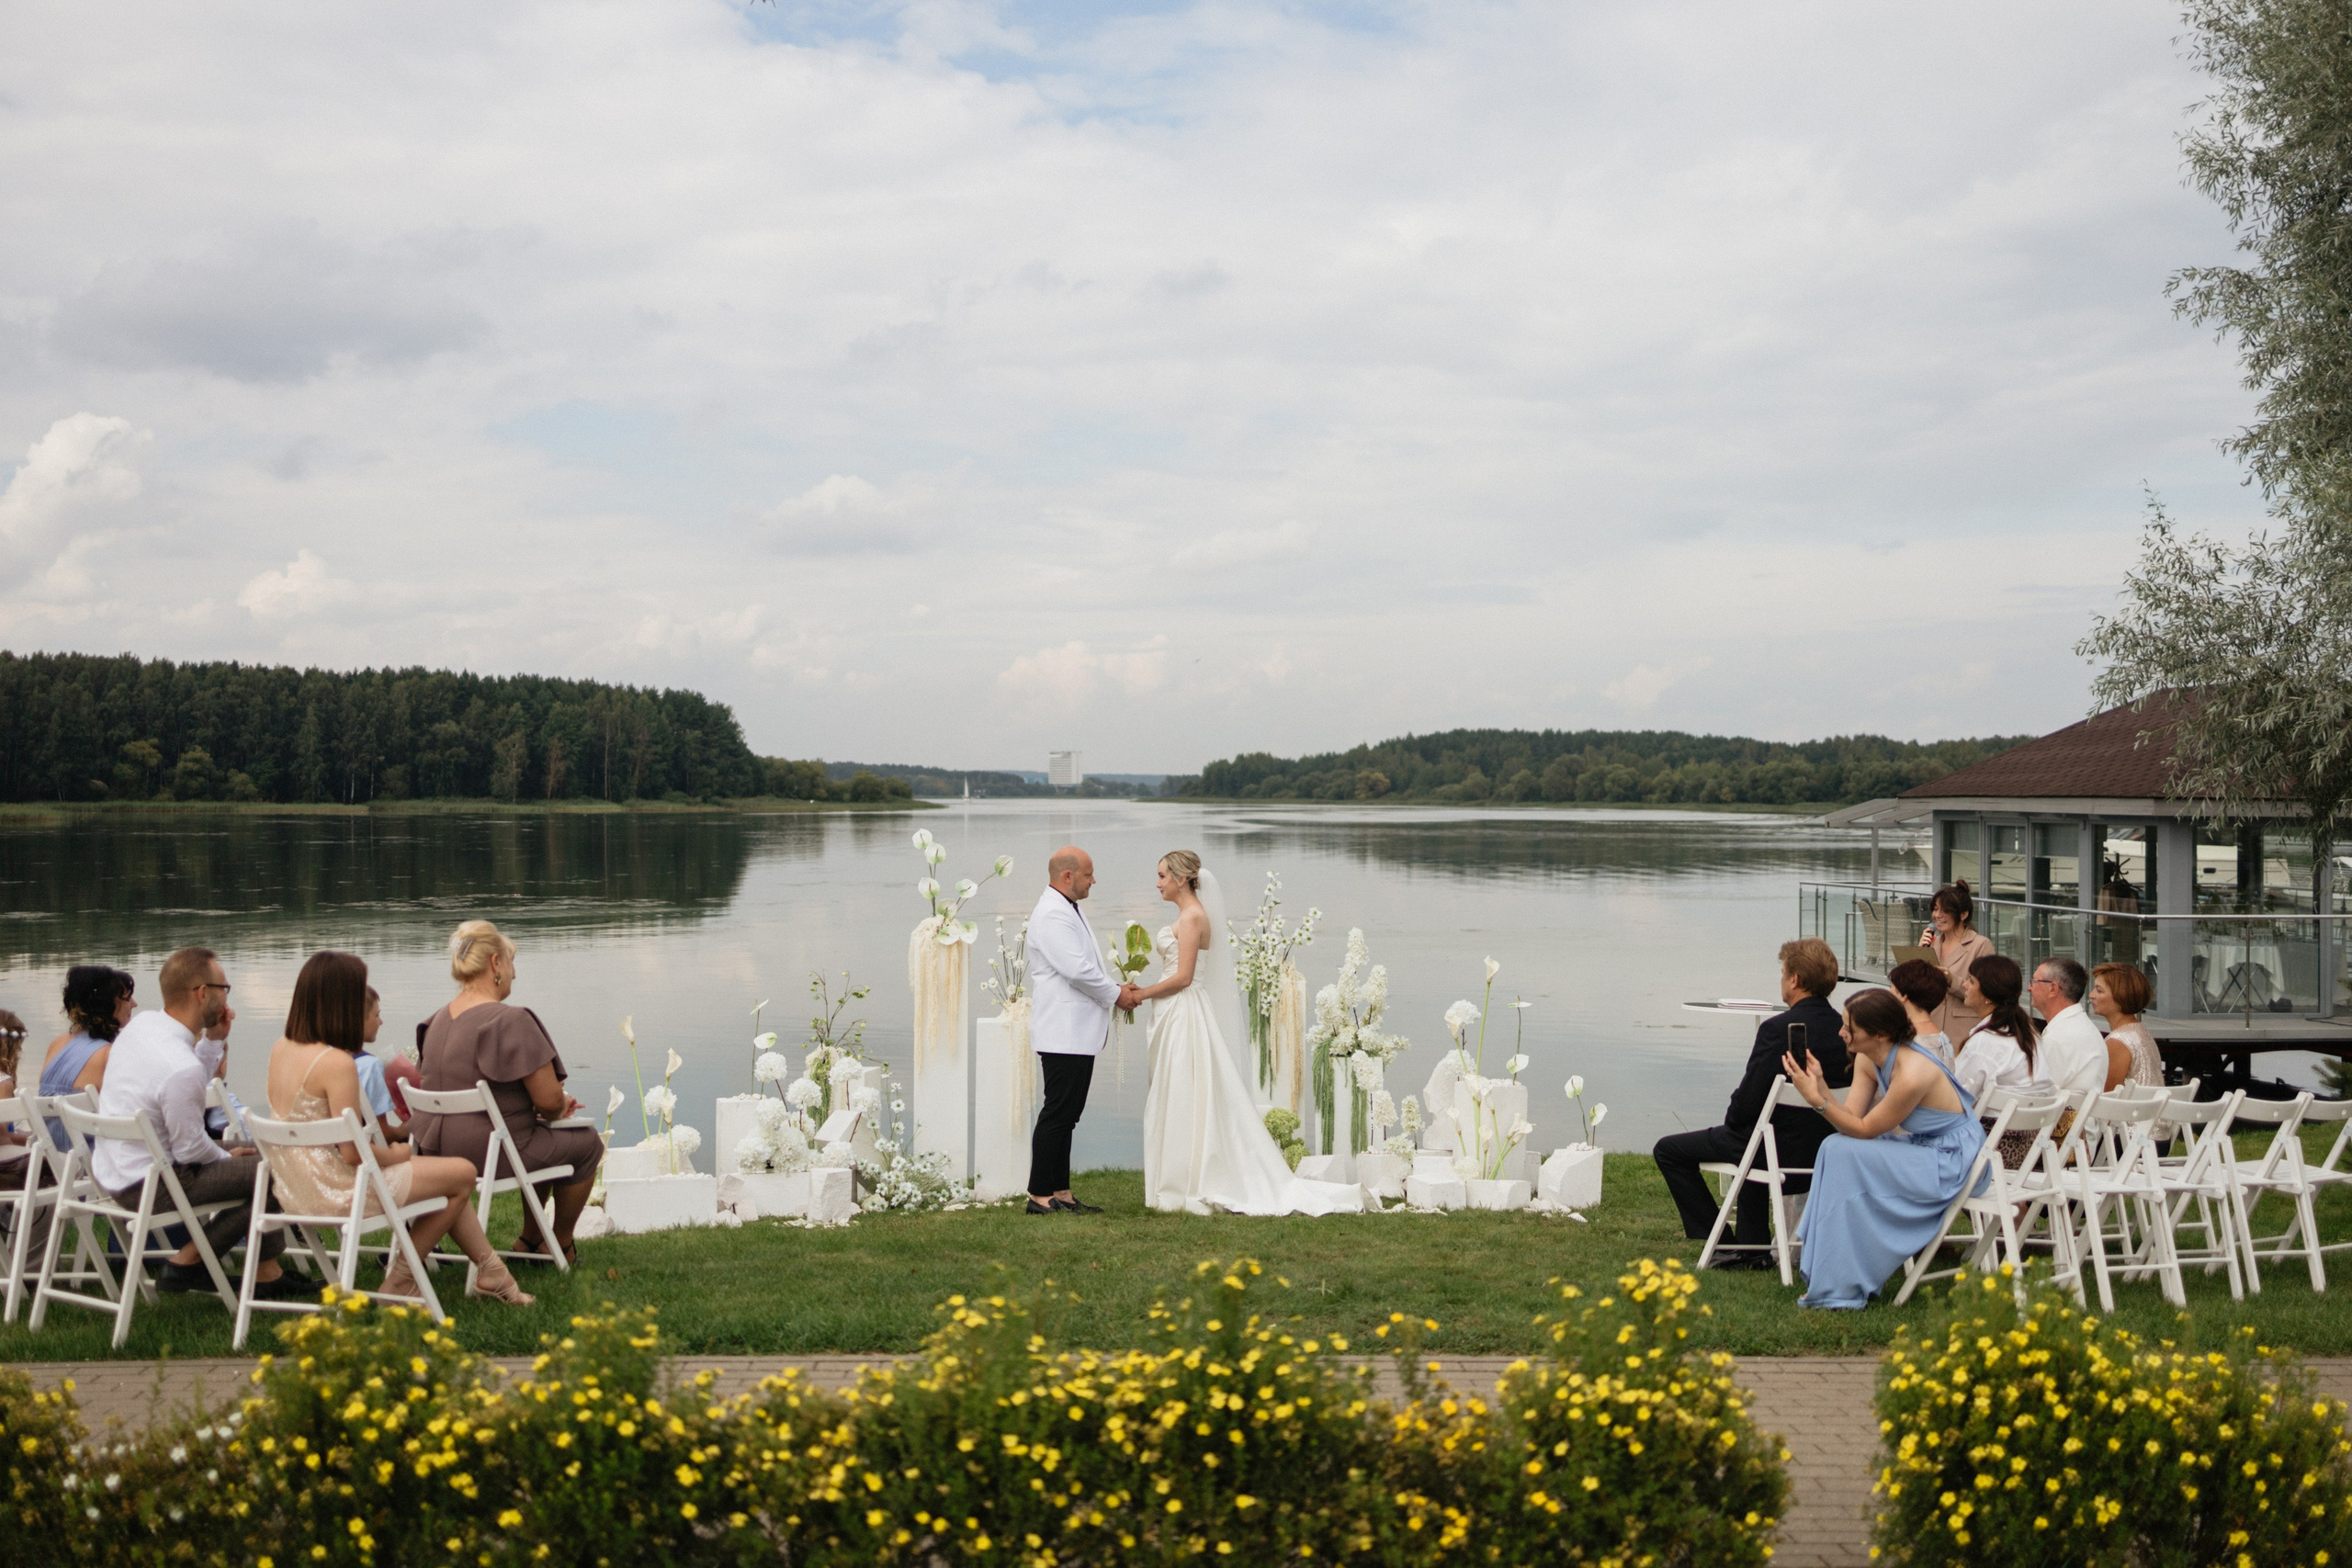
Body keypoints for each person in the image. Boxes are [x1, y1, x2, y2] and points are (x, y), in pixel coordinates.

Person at [265, 953, 530, 1305]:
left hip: (294, 1190)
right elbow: (352, 1152)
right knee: (463, 1173)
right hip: (339, 1191)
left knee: (449, 1180)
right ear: (341, 1002)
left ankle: (494, 1273)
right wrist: (397, 1154)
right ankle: (402, 1277)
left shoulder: (281, 1049)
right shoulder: (336, 1063)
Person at [1134, 851, 1363, 1216]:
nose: (1157, 883)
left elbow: (1184, 977)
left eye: (1162, 876)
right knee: (1176, 1088)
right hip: (1175, 1010)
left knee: (1184, 1088)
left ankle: (1186, 1182)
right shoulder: (1187, 915)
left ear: (1180, 878)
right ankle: (1178, 1177)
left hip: (1185, 1010)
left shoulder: (1193, 917)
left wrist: (1141, 994)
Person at [87, 948, 302, 1299]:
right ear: (203, 993)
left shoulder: (144, 1028)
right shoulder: (178, 1064)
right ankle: (189, 1262)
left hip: (123, 1167)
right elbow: (190, 1147)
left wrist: (214, 1040)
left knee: (270, 1152)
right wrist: (225, 1157)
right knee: (281, 1170)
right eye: (225, 988)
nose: (227, 997)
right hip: (156, 1182)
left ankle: (267, 1273)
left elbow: (185, 1095)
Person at [412, 921, 601, 1267]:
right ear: (496, 964)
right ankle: (557, 1244)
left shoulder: (435, 1021)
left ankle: (528, 1239)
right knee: (586, 1142)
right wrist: (559, 1107)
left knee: (543, 1136)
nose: (515, 973)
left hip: (434, 1152)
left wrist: (540, 1109)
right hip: (488, 1153)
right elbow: (548, 1101)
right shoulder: (510, 1021)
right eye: (513, 963)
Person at [1782, 988, 1986, 1310]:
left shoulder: (1912, 1072)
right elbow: (1851, 1118)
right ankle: (1834, 1275)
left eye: (1850, 1028)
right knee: (1835, 1147)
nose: (1841, 1033)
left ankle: (1839, 1282)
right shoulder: (1868, 1057)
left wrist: (1816, 1101)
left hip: (1952, 1160)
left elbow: (1864, 1131)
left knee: (1841, 1151)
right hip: (1922, 1149)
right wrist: (1819, 1085)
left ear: (1879, 1034)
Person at [1653, 937, 1849, 1265]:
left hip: (1775, 1154)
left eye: (1783, 973)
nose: (1782, 980)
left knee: (1671, 1150)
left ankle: (1728, 1244)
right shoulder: (1846, 1029)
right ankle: (1752, 1246)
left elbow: (1747, 1104)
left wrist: (1733, 1121)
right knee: (1755, 1136)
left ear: (1795, 980)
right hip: (1828, 1151)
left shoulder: (1776, 1030)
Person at [1023, 846, 1134, 1215]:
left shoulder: (1066, 908)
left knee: (1068, 1115)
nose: (1093, 880)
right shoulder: (1052, 914)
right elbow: (1077, 971)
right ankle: (1039, 1196)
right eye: (1088, 874)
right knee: (1057, 1113)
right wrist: (1117, 995)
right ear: (1067, 876)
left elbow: (1086, 965)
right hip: (1062, 1030)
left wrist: (1115, 986)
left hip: (1073, 1031)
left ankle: (1061, 1192)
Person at [1953, 954, 2045, 1168]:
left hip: (1987, 1152)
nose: (1965, 985)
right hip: (2025, 1150)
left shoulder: (1987, 1041)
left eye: (1971, 981)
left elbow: (1955, 1100)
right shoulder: (2027, 1032)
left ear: (1988, 994)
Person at [38, 966, 131, 1152]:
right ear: (106, 1005)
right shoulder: (109, 1054)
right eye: (127, 998)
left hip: (55, 1156)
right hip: (92, 1159)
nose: (134, 1004)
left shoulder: (58, 1044)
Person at [1917, 881, 1995, 1041]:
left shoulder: (1980, 944)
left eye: (1945, 910)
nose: (1937, 915)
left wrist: (1951, 980)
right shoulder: (1933, 943)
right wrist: (1920, 955)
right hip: (1931, 1028)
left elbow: (1987, 992)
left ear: (1963, 914)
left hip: (1962, 1029)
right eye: (1935, 909)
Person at [2029, 958, 2108, 1100]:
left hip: (2064, 1119)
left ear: (2053, 989)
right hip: (2084, 1118)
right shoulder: (2081, 1025)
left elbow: (2038, 1098)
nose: (2029, 987)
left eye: (2034, 981)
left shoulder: (2059, 1037)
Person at [348, 986, 408, 1143]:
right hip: (362, 1155)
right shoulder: (369, 1065)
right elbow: (381, 1135)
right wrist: (403, 1131)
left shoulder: (324, 1055)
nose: (380, 1022)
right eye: (377, 1015)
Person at [2090, 963, 2161, 1091]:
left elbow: (2107, 1096)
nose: (2091, 995)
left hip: (2133, 1110)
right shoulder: (2140, 1031)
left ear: (2120, 997)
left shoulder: (2118, 1042)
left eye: (2099, 990)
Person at [1884, 960, 1955, 1071]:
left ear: (1903, 996)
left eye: (1892, 988)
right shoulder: (1944, 1040)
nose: (1888, 994)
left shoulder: (1905, 1043)